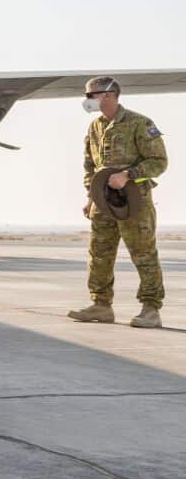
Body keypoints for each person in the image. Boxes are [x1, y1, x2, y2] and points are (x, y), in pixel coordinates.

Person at [69, 76, 168, 328]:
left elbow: (158, 162)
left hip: (134, 202)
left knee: (143, 253)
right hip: (104, 203)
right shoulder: (95, 127)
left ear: (110, 94)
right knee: (99, 254)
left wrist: (128, 175)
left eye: (92, 95)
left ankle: (150, 309)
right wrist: (91, 198)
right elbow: (90, 166)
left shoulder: (140, 123)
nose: (88, 100)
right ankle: (101, 305)